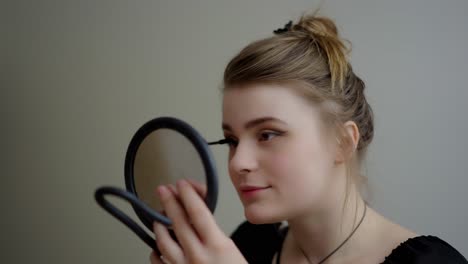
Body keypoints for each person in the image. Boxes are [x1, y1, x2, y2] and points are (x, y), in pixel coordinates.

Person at [149, 13, 468, 264]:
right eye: (231, 140)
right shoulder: (250, 247)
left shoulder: (431, 262)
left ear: (342, 142)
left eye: (267, 134)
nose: (238, 163)